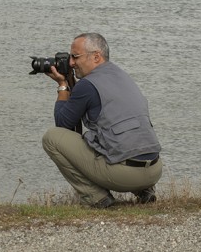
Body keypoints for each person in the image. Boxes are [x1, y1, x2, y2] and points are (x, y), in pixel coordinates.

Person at [42, 32, 162, 208]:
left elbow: (63, 125)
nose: (71, 63)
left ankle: (96, 197)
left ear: (96, 56)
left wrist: (63, 86)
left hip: (125, 176)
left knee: (51, 138)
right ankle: (144, 191)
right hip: (154, 170)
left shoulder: (87, 85)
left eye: (75, 57)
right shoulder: (121, 75)